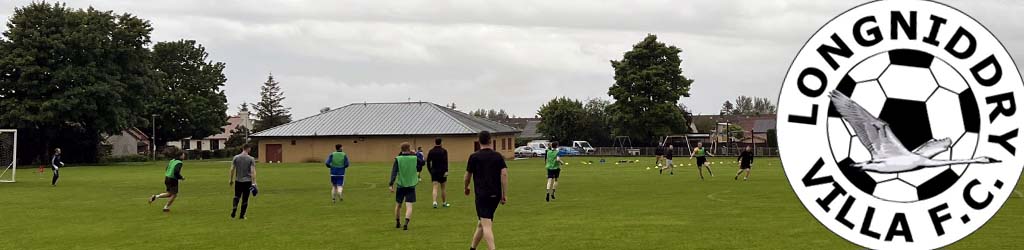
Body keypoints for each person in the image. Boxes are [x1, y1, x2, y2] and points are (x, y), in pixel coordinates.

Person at [465, 131, 508, 250]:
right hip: (496, 194)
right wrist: (504, 194)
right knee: (482, 222)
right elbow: (504, 174)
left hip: (482, 195)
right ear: (490, 140)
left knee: (486, 225)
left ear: (479, 141)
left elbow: (467, 175)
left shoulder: (474, 157)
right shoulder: (498, 156)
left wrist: (466, 187)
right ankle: (472, 248)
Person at [388, 142, 424, 230]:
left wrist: (391, 184)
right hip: (411, 184)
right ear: (409, 148)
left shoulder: (398, 159)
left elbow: (394, 172)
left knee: (398, 205)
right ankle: (406, 223)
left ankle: (397, 222)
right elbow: (422, 163)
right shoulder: (414, 158)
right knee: (409, 205)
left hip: (401, 184)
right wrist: (415, 153)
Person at [149, 148, 185, 212]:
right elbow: (176, 172)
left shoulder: (172, 160)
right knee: (174, 194)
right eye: (183, 155)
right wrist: (181, 177)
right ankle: (166, 207)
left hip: (167, 178)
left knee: (169, 194)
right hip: (173, 180)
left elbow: (167, 168)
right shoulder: (179, 162)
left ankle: (155, 196)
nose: (184, 156)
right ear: (180, 156)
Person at [229, 145, 257, 219]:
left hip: (238, 180)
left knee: (236, 196)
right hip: (247, 181)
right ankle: (242, 215)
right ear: (248, 149)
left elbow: (232, 169)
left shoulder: (236, 157)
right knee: (245, 198)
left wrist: (231, 179)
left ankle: (234, 208)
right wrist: (254, 183)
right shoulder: (251, 159)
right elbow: (252, 171)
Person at [427, 138, 450, 208]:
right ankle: (444, 202)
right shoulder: (444, 151)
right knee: (443, 188)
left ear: (435, 142)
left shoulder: (431, 151)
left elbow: (428, 162)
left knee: (435, 187)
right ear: (441, 142)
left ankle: (434, 202)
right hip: (442, 171)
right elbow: (445, 162)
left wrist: (430, 171)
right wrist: (446, 170)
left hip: (434, 171)